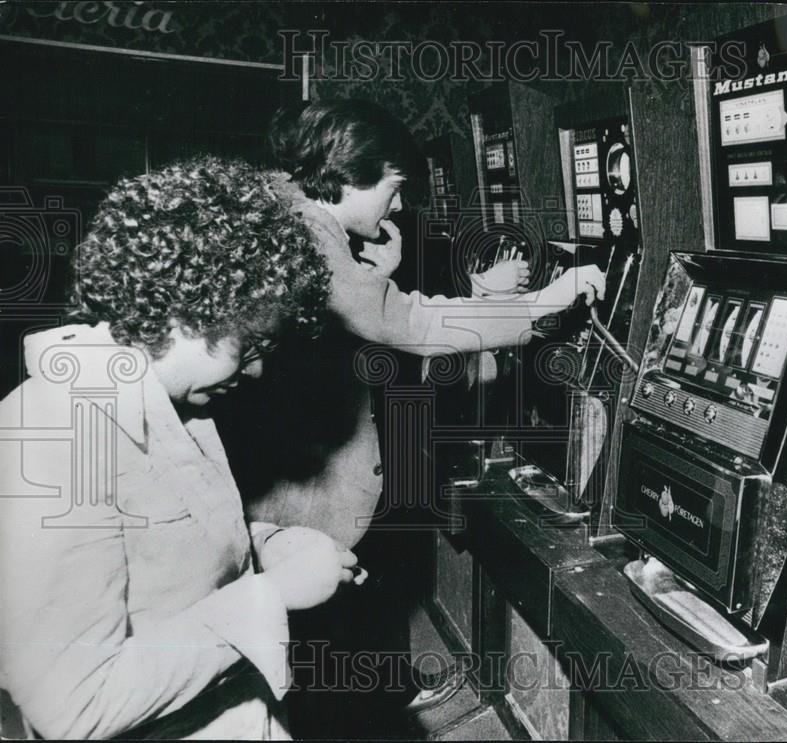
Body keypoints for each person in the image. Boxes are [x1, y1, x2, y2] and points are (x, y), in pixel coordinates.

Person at [216, 99, 606, 738]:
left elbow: (362, 314)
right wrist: (541, 302)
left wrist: (371, 277)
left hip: (283, 493)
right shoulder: (307, 229)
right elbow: (411, 323)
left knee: (324, 658)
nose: (398, 208)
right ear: (348, 173)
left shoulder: (290, 212)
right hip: (299, 506)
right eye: (394, 189)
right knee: (322, 673)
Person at [0, 156, 358, 740]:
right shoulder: (55, 432)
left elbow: (163, 553)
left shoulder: (174, 405)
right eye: (253, 342)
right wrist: (272, 596)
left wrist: (273, 545)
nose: (260, 369)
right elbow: (76, 705)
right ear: (196, 310)